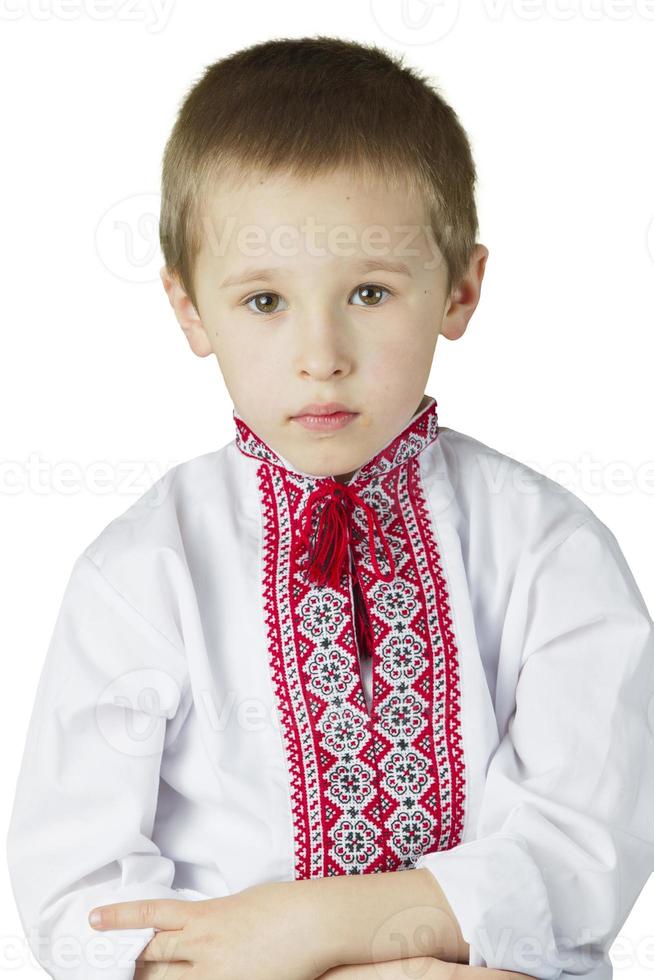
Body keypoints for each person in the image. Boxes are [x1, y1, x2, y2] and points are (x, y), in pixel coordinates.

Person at [6, 34, 654, 980]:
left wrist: (318, 926)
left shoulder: (548, 548)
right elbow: (77, 889)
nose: (322, 353)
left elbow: (591, 842)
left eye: (368, 291)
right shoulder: (144, 569)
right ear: (190, 311)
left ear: (459, 289)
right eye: (264, 300)